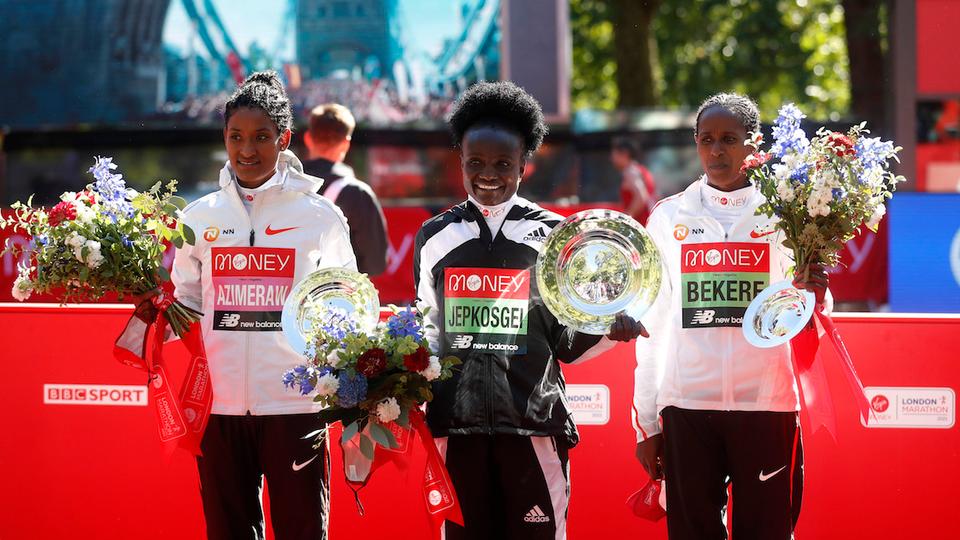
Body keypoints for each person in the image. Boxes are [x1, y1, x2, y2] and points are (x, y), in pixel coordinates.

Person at [413, 81, 646, 540]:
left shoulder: (556, 237)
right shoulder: (434, 237)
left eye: (504, 163)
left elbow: (567, 343)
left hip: (534, 427)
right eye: (475, 163)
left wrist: (608, 328)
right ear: (460, 158)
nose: (489, 174)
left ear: (524, 162)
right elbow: (426, 333)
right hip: (455, 433)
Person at [632, 93, 830, 540]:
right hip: (686, 406)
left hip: (767, 405)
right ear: (696, 144)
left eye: (729, 139)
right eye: (706, 140)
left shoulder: (789, 217)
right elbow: (654, 324)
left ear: (754, 143)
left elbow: (812, 310)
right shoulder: (668, 218)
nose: (717, 150)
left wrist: (819, 293)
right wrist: (646, 420)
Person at [170, 71, 356, 540]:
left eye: (260, 137)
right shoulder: (198, 218)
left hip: (296, 408)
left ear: (284, 139)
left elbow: (344, 302)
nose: (246, 149)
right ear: (224, 139)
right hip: (220, 410)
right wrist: (157, 314)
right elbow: (186, 301)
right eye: (236, 137)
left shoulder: (320, 216)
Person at [302, 103, 389, 276]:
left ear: (308, 138)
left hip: (285, 296)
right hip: (338, 297)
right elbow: (375, 264)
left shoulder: (283, 184)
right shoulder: (358, 194)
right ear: (346, 144)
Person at [611, 136, 657, 224]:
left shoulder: (630, 172)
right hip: (650, 223)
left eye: (614, 154)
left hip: (642, 225)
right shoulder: (642, 170)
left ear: (624, 153)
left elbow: (641, 197)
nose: (612, 158)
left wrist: (626, 219)